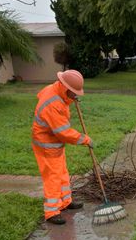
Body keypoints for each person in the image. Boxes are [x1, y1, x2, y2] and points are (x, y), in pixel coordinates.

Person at [32, 69, 93, 225]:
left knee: (62, 172)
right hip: (47, 145)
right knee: (52, 177)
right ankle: (51, 211)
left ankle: (65, 202)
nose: (75, 95)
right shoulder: (53, 104)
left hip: (55, 143)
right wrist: (85, 139)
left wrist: (71, 99)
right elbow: (64, 132)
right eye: (73, 93)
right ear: (65, 88)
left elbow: (50, 97)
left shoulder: (56, 89)